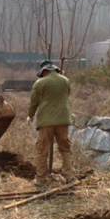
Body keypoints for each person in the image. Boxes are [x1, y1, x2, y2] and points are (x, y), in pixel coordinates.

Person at [27, 60, 77, 188]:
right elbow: (66, 96)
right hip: (63, 120)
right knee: (65, 149)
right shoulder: (65, 81)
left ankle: (41, 180)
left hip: (46, 121)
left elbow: (33, 103)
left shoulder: (40, 83)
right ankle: (70, 177)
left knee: (42, 151)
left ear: (44, 71)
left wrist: (30, 115)